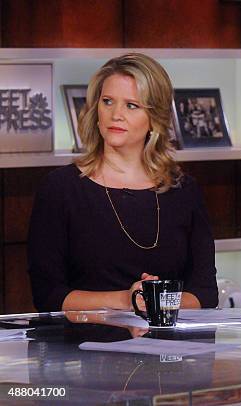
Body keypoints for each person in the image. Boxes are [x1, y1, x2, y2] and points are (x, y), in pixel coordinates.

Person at [28, 53, 218, 312]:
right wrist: (125, 301)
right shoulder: (60, 189)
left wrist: (155, 300)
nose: (116, 114)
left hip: (168, 347)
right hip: (85, 347)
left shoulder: (184, 191)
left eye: (131, 105)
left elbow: (205, 294)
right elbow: (48, 296)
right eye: (107, 102)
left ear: (154, 118)